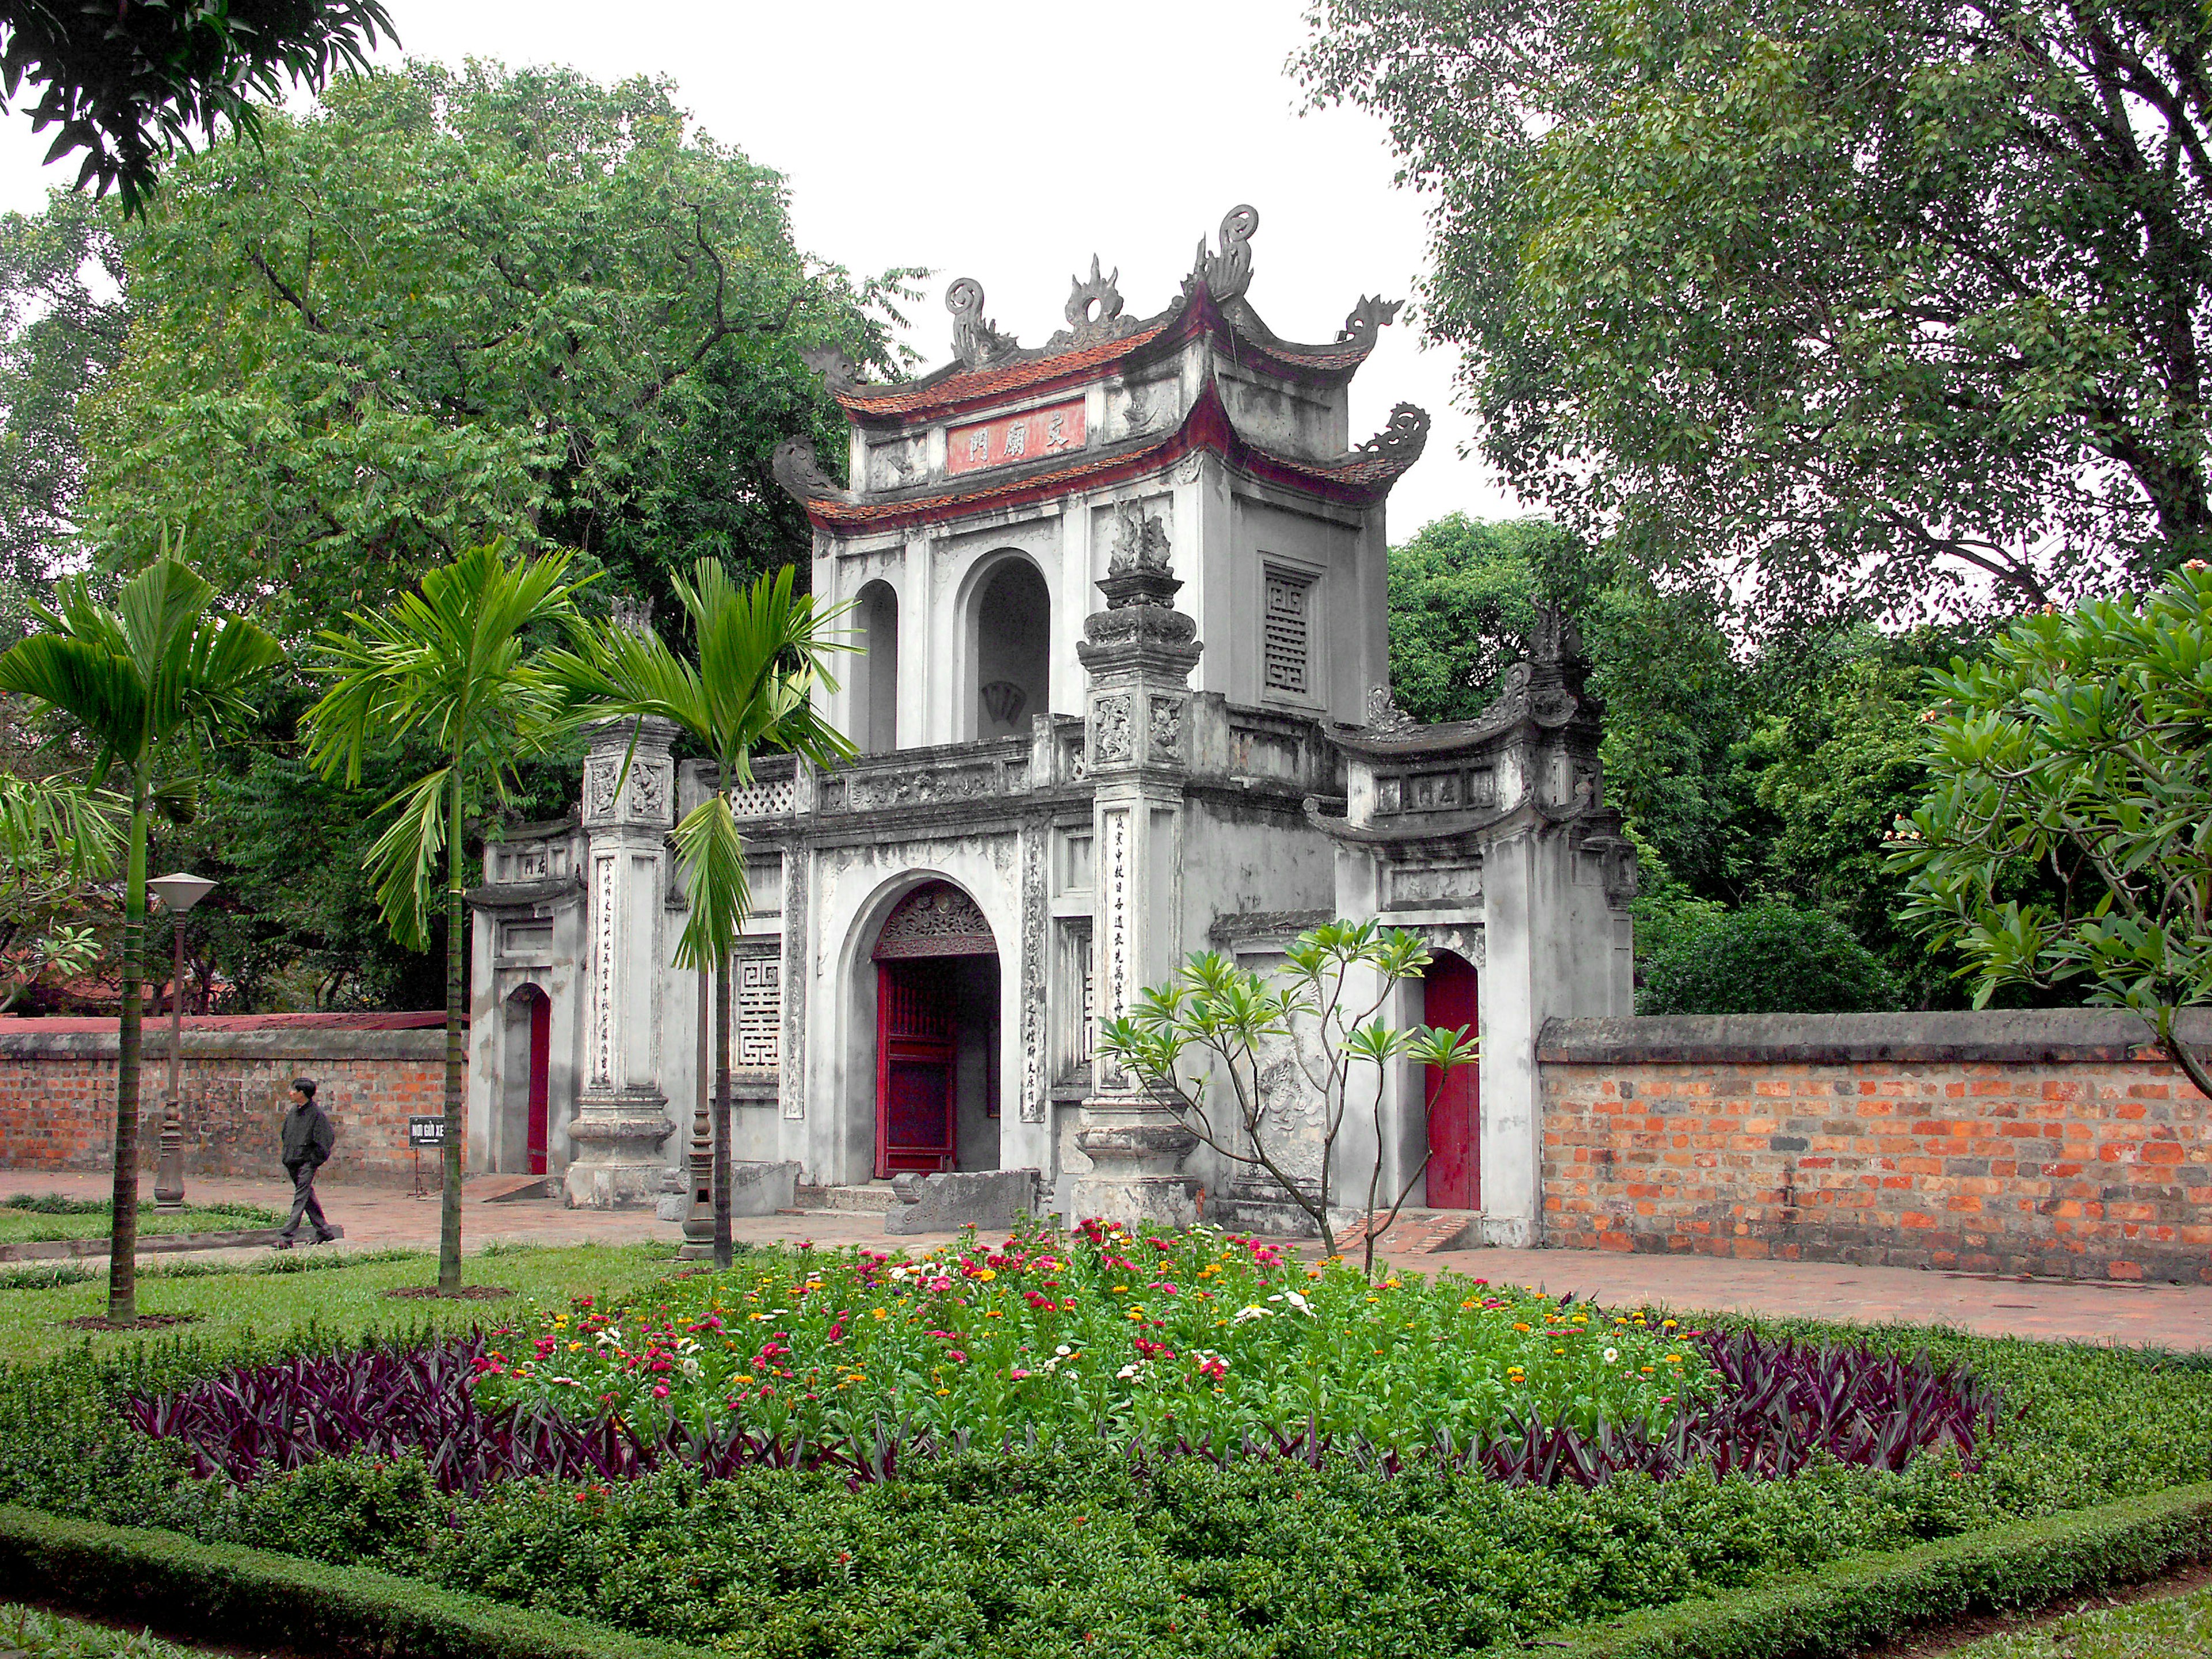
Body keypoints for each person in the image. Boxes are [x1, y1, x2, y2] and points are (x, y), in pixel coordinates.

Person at [276, 1076, 338, 1247]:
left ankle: (287, 1237)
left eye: (294, 1090)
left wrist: (313, 1159)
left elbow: (326, 1139)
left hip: (307, 1162)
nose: (291, 1093)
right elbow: (286, 1134)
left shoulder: (316, 1115)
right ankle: (324, 1230)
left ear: (302, 1093)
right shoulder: (293, 1113)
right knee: (307, 1196)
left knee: (300, 1197)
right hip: (292, 1160)